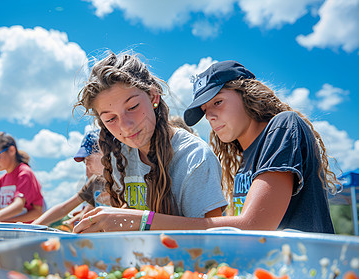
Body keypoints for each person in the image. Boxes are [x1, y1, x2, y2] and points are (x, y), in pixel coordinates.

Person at [73, 51, 227, 233]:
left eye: (132, 107)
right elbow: (134, 212)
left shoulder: (194, 157)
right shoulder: (121, 154)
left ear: (153, 97)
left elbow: (214, 234)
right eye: (110, 119)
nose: (126, 126)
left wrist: (141, 221)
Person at [183, 60, 340, 233]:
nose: (210, 116)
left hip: (303, 258)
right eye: (205, 110)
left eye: (218, 102)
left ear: (246, 94)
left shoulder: (283, 127)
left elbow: (255, 226)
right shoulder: (245, 161)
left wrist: (151, 221)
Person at [32, 129, 110, 227]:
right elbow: (64, 208)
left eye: (88, 158)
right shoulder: (95, 181)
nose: (87, 164)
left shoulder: (122, 180)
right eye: (84, 161)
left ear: (104, 153)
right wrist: (34, 226)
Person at [0, 132, 44, 223]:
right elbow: (2, 211)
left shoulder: (24, 173)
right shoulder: (1, 180)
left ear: (11, 150)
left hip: (25, 234)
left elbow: (20, 207)